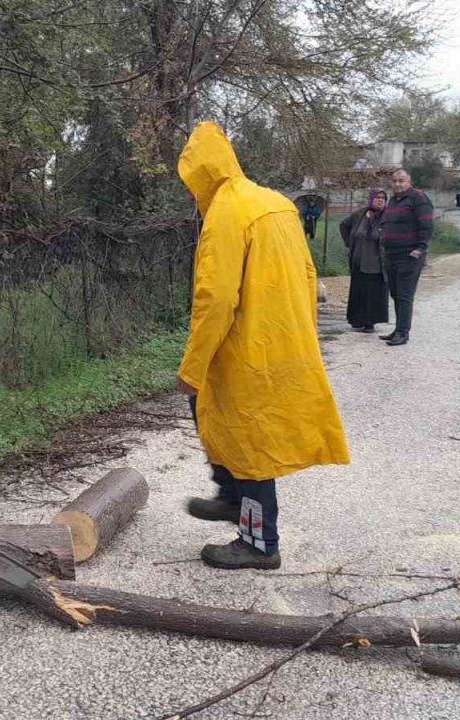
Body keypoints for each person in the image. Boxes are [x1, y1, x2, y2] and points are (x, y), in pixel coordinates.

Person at [174, 121, 350, 570]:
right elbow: (310, 275)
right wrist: (302, 330)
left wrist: (193, 367)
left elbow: (215, 300)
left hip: (245, 348)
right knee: (220, 422)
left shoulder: (226, 215)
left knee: (250, 444)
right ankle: (230, 494)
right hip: (283, 339)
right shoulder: (275, 203)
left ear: (200, 175)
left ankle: (259, 543)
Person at [377, 169, 434, 346]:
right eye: (394, 181)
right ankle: (398, 329)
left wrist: (420, 248)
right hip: (391, 254)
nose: (397, 184)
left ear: (409, 181)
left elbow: (426, 224)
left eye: (401, 181)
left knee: (404, 295)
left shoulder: (418, 198)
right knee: (395, 293)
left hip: (408, 255)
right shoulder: (393, 200)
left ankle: (403, 332)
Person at [341, 189, 389, 333]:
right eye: (377, 197)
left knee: (372, 292)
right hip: (358, 259)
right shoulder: (359, 214)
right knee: (358, 291)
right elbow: (344, 225)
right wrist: (350, 242)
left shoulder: (387, 217)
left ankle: (370, 322)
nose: (380, 200)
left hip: (376, 262)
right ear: (371, 199)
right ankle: (357, 320)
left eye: (383, 198)